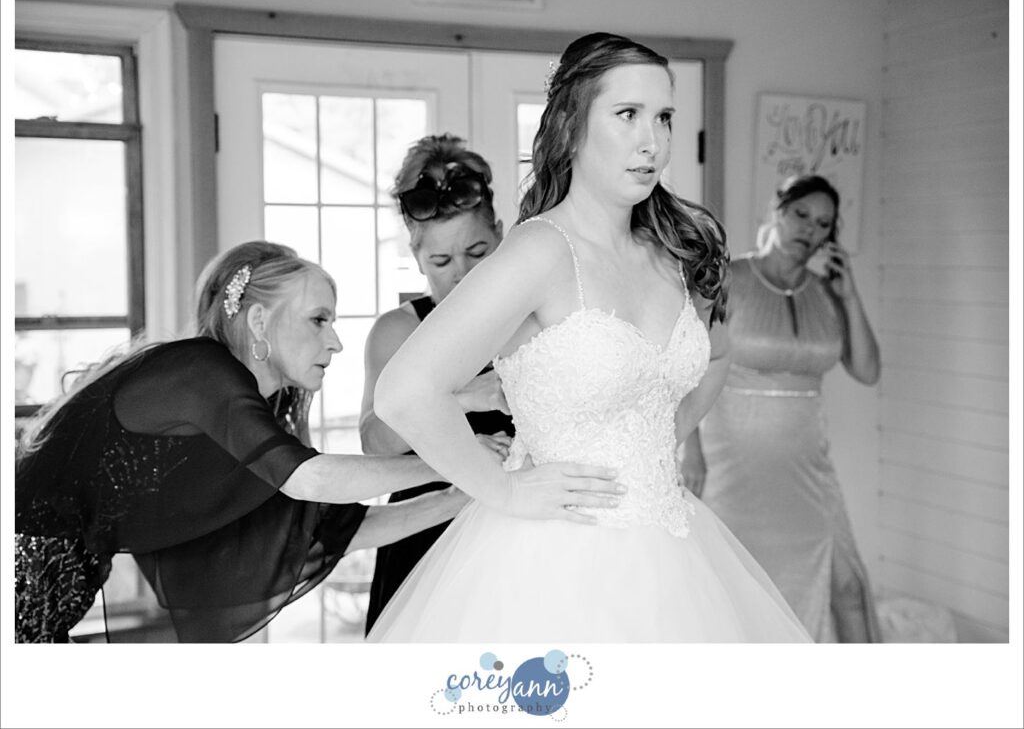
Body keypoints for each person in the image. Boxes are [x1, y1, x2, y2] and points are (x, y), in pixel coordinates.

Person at [366, 32, 811, 642]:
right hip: (549, 567)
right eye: (627, 114)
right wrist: (502, 490)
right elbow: (405, 393)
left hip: (673, 555)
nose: (651, 141)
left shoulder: (675, 253)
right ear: (572, 126)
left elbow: (717, 352)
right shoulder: (539, 250)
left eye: (663, 117)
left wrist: (663, 432)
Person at [14, 240, 617, 643]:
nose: (334, 343)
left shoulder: (240, 417)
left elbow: (348, 530)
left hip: (52, 595)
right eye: (318, 319)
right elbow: (315, 479)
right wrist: (473, 470)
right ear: (256, 322)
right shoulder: (199, 371)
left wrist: (475, 493)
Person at [682, 174, 882, 642]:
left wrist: (848, 294)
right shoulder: (728, 277)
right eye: (801, 215)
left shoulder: (827, 293)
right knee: (738, 589)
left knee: (847, 589)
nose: (810, 230)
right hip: (730, 463)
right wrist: (690, 450)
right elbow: (685, 364)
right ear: (776, 210)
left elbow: (868, 369)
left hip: (808, 468)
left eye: (823, 224)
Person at [359, 134, 514, 633]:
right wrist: (464, 398)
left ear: (502, 233)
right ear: (416, 256)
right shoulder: (398, 331)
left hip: (518, 532)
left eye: (478, 252)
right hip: (424, 531)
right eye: (442, 263)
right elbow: (373, 445)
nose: (463, 274)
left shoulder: (533, 318)